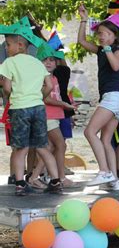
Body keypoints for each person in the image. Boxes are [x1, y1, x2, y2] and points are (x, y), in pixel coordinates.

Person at [0, 18, 61, 195]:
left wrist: (10, 95)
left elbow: (6, 87)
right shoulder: (37, 63)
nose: (6, 47)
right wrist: (38, 97)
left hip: (20, 109)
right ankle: (56, 181)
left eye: (8, 44)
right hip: (38, 108)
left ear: (20, 45)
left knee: (21, 148)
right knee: (42, 146)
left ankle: (20, 183)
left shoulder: (9, 63)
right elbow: (49, 86)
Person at [77, 4, 119, 189]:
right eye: (98, 33)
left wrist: (107, 48)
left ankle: (104, 171)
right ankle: (114, 180)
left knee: (89, 132)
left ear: (114, 35)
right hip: (113, 99)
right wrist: (84, 19)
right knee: (106, 140)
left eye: (104, 33)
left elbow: (116, 66)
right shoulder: (101, 50)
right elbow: (82, 41)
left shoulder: (118, 50)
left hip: (114, 98)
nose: (100, 36)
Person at [28, 43, 77, 189]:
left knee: (49, 147)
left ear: (57, 62)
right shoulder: (42, 78)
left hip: (53, 116)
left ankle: (35, 176)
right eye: (45, 60)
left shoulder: (54, 78)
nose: (49, 62)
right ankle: (60, 177)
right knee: (60, 144)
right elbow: (47, 99)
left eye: (52, 60)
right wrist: (65, 105)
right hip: (47, 116)